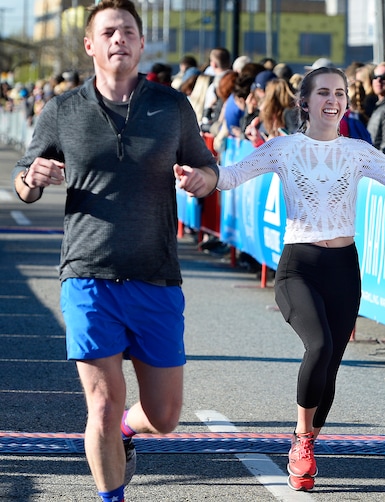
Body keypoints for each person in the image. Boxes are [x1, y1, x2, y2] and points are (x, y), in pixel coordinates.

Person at [175, 66, 385, 492]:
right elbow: (233, 176)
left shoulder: (357, 150)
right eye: (324, 93)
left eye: (340, 93)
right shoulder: (284, 148)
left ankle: (307, 442)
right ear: (305, 103)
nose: (334, 101)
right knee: (320, 345)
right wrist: (199, 178)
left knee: (330, 365)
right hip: (299, 266)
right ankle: (300, 440)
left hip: (344, 268)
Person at [10, 1, 219, 501]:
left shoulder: (171, 107)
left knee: (165, 417)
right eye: (108, 31)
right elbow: (24, 180)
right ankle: (112, 496)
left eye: (128, 31)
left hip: (155, 275)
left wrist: (199, 180)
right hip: (87, 275)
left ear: (142, 43)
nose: (118, 38)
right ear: (90, 45)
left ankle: (131, 429)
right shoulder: (62, 110)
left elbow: (208, 170)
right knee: (100, 405)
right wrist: (32, 179)